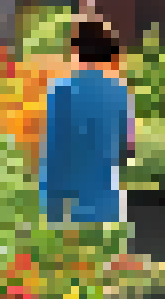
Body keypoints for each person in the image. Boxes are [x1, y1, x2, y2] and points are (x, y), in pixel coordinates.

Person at [39, 17, 137, 224]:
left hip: (68, 206)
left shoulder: (60, 91)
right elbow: (127, 150)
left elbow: (52, 153)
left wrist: (50, 212)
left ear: (76, 50)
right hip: (107, 204)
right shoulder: (119, 92)